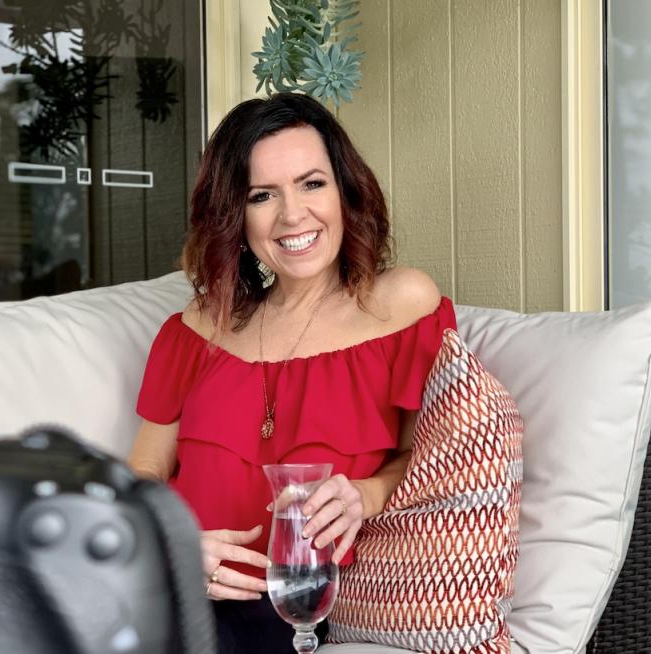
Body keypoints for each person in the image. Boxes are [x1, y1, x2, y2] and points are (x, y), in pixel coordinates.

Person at [128, 92, 457, 654]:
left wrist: (365, 494)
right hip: (170, 589)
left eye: (312, 183)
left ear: (345, 192)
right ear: (236, 215)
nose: (292, 215)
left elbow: (419, 456)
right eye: (262, 195)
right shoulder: (196, 326)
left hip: (296, 602)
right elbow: (143, 471)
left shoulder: (401, 303)